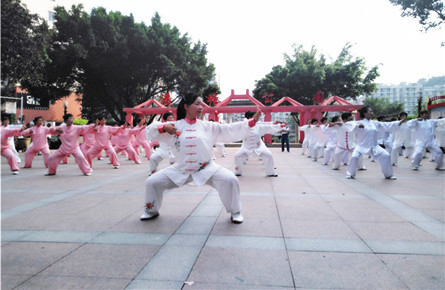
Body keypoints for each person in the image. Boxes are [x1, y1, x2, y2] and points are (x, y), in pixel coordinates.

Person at [141, 94, 261, 224]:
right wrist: (163, 127)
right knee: (151, 182)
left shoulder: (207, 126)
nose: (201, 107)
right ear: (186, 106)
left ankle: (235, 212)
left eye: (201, 104)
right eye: (197, 104)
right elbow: (149, 131)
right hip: (181, 168)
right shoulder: (175, 126)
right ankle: (151, 210)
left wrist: (251, 122)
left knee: (231, 180)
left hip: (207, 168)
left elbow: (229, 129)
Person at [346, 106, 406, 180]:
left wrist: (400, 122)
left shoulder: (375, 123)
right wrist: (358, 125)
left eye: (372, 111)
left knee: (386, 155)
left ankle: (389, 174)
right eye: (370, 111)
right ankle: (350, 174)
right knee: (354, 157)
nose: (372, 113)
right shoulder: (359, 122)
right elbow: (348, 124)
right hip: (361, 146)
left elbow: (387, 125)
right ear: (365, 113)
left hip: (374, 146)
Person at [234, 111, 286, 177]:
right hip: (246, 147)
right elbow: (234, 129)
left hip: (259, 147)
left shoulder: (259, 126)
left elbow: (268, 127)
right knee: (237, 155)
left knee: (269, 155)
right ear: (250, 117)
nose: (258, 118)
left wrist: (279, 126)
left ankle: (270, 172)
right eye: (256, 116)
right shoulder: (243, 126)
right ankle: (238, 171)